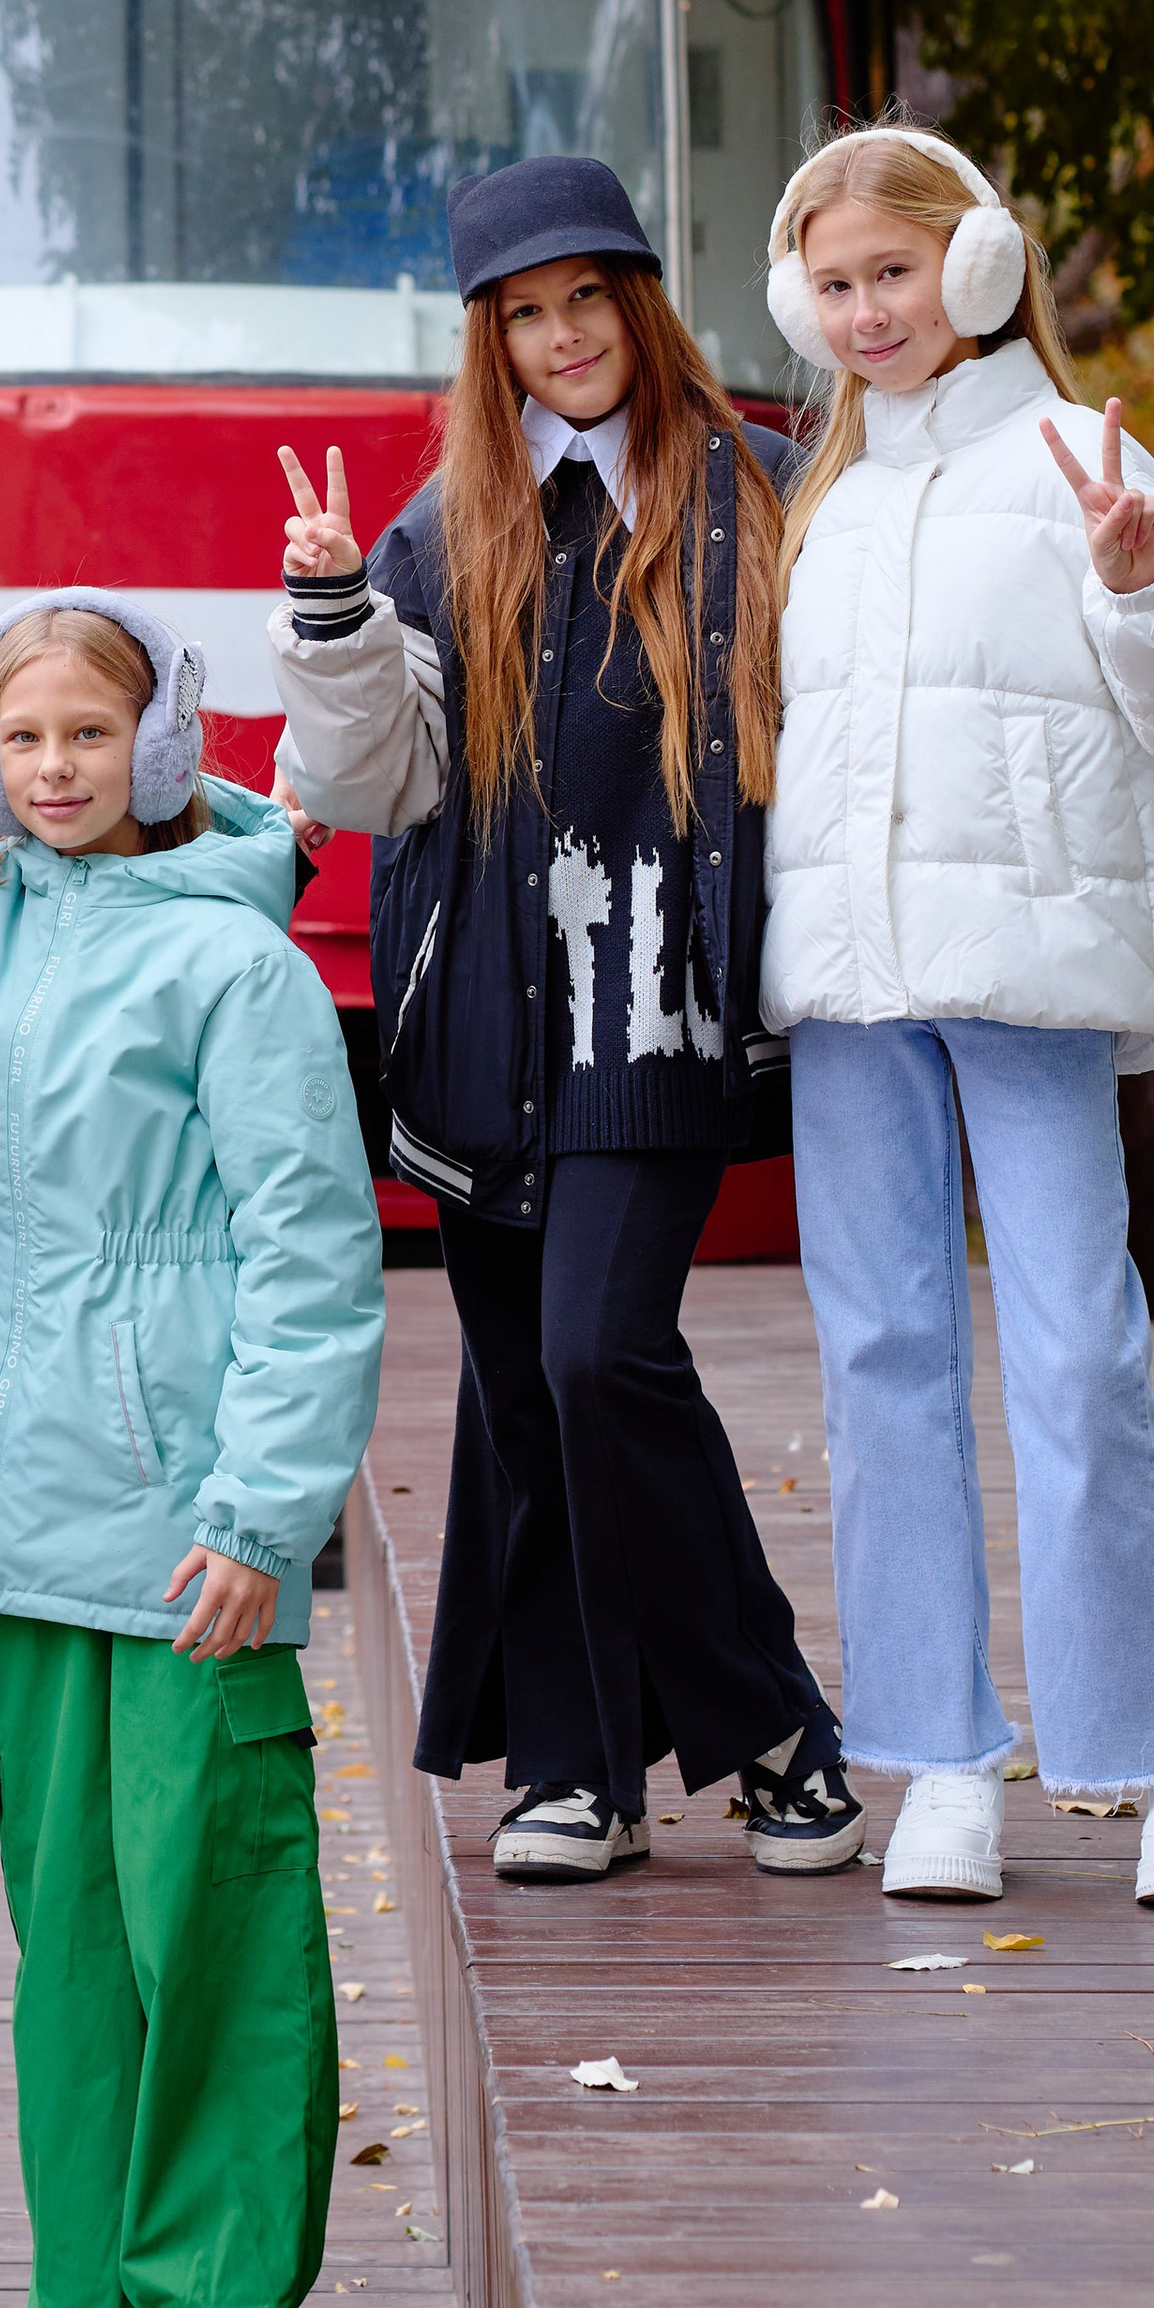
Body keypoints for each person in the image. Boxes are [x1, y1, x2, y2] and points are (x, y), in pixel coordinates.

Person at [269, 154, 862, 1889]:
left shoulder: (756, 487)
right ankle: (576, 1763)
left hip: (654, 1012)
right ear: (490, 340)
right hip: (475, 1022)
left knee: (605, 1353)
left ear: (639, 299)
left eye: (585, 298)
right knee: (525, 1395)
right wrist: (328, 613)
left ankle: (768, 1726)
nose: (562, 336)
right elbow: (372, 778)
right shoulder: (440, 523)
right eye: (523, 315)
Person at [761, 125, 1154, 1906]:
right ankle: (935, 1755)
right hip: (851, 990)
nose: (865, 310)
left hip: (1028, 972)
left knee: (1076, 1350)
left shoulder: (1077, 457)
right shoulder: (820, 500)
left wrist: (1143, 579)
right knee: (883, 1361)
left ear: (976, 267)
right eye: (831, 285)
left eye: (892, 272)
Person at [0, 596, 386, 2308]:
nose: (54, 770)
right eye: (19, 737)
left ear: (165, 744)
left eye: (89, 734)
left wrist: (267, 1508)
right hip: (24, 1519)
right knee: (70, 1933)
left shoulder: (236, 967)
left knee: (218, 1904)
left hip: (198, 1518)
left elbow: (311, 1249)